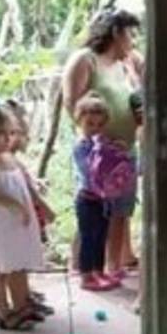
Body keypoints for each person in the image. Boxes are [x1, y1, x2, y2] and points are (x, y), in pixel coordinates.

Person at [62, 9, 143, 279]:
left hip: (125, 150)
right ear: (116, 33)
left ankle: (113, 265)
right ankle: (84, 266)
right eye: (130, 34)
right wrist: (94, 137)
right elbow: (71, 102)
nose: (133, 41)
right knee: (94, 207)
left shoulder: (126, 64)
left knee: (121, 209)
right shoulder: (86, 60)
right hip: (96, 152)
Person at [0, 105, 53, 331]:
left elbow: (27, 183)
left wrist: (41, 204)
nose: (7, 139)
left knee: (19, 265)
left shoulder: (10, 158)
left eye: (10, 133)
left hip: (20, 221)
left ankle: (22, 305)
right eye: (0, 133)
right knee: (2, 268)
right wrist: (16, 206)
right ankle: (5, 312)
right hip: (2, 221)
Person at [71, 94, 118, 292]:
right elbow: (88, 170)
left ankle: (99, 271)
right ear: (80, 121)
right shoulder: (81, 147)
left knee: (101, 235)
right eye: (90, 124)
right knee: (88, 237)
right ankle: (85, 274)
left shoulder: (104, 144)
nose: (95, 129)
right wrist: (101, 153)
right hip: (87, 198)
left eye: (99, 125)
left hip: (103, 199)